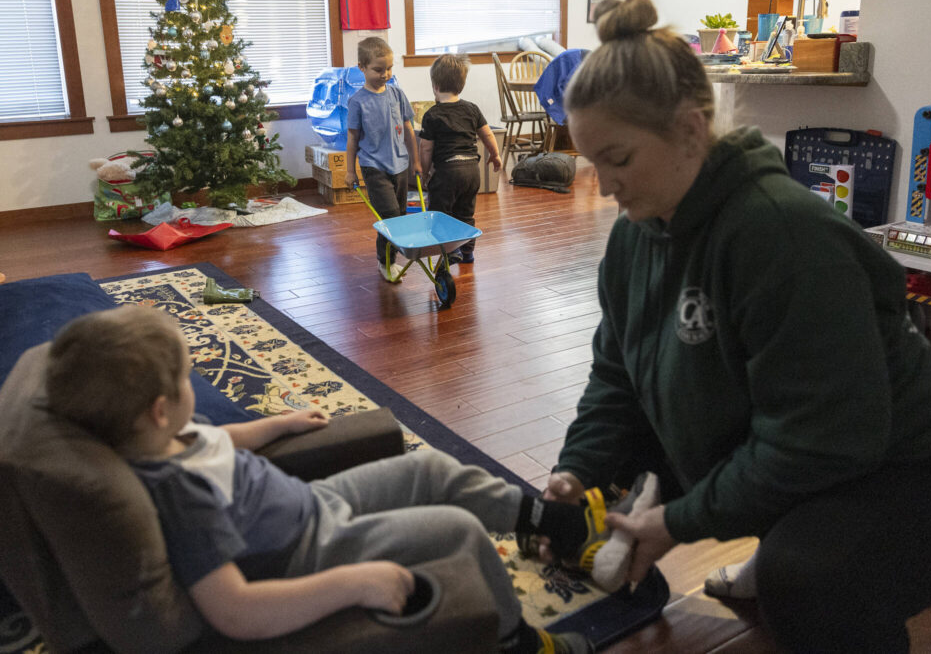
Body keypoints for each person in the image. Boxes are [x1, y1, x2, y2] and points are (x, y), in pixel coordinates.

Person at [540, 0, 931, 653]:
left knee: (806, 582)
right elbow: (616, 375)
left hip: (926, 477)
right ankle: (788, 535)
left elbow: (823, 439)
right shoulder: (634, 237)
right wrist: (576, 470)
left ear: (689, 128)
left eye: (618, 158)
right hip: (826, 452)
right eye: (593, 163)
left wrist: (677, 522)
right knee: (624, 457)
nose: (605, 183)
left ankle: (801, 554)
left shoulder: (780, 232)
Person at [42, 304, 618, 653]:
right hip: (311, 552)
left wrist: (277, 424)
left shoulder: (167, 436)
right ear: (158, 410)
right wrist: (354, 584)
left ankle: (554, 526)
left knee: (431, 468)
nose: (194, 384)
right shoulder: (177, 496)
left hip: (312, 504)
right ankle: (515, 642)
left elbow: (218, 441)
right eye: (187, 377)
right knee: (458, 532)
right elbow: (234, 610)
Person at [346, 36, 421, 283]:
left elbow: (409, 130)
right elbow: (353, 138)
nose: (385, 74)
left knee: (400, 215)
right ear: (362, 68)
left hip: (400, 165)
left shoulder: (397, 95)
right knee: (390, 217)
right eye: (378, 69)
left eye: (389, 68)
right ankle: (385, 262)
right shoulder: (357, 101)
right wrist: (349, 171)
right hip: (373, 166)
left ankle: (391, 258)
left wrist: (416, 161)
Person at [418, 54, 502, 264]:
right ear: (461, 85)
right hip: (471, 171)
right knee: (465, 212)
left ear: (435, 85)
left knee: (440, 214)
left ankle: (450, 250)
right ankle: (467, 251)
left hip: (447, 171)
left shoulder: (432, 115)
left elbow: (426, 149)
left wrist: (425, 172)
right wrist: (495, 154)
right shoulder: (471, 109)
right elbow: (487, 134)